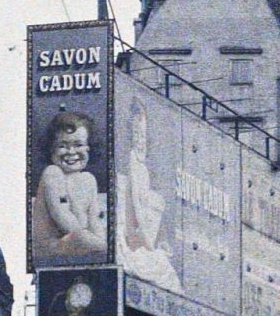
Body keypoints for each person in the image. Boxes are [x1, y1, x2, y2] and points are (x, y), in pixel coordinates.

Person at [116, 99, 181, 289]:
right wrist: (149, 246)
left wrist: (159, 243)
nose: (140, 141)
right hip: (128, 247)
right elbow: (131, 227)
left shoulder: (143, 171)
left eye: (143, 136)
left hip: (140, 244)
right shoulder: (129, 169)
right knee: (163, 270)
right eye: (136, 134)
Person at [30, 109, 107, 260]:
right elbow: (62, 215)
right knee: (86, 240)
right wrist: (94, 242)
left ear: (89, 147)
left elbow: (94, 218)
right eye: (62, 146)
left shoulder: (89, 180)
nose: (71, 152)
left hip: (78, 244)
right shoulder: (53, 174)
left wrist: (99, 239)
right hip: (53, 247)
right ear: (51, 149)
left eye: (78, 145)